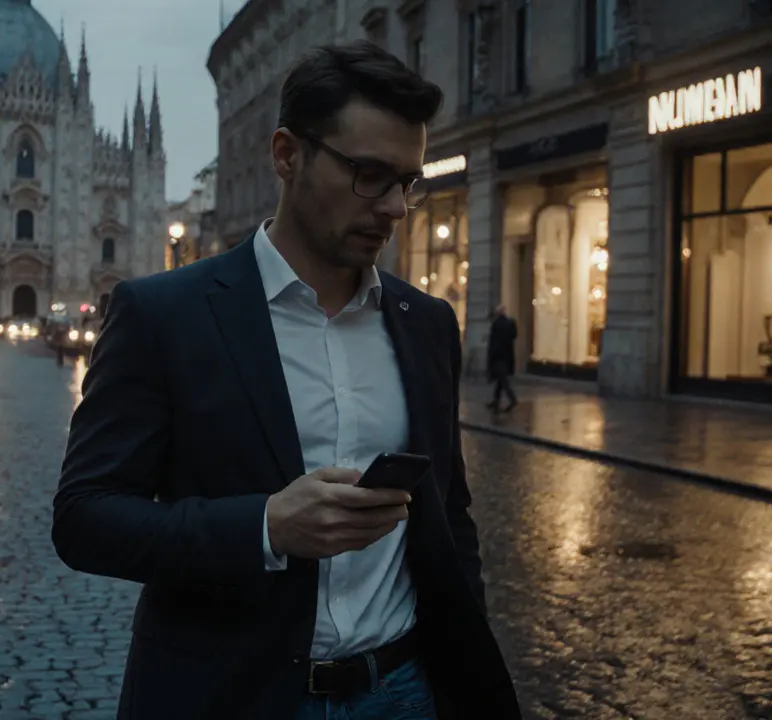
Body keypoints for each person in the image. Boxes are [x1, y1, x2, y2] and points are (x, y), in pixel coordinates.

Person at [53, 40, 519, 720]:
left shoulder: (426, 323)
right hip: (235, 697)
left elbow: (449, 516)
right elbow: (85, 518)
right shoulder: (164, 315)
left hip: (403, 693)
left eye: (407, 182)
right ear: (287, 155)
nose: (396, 207)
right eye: (369, 175)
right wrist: (265, 526)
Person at [487, 304, 518, 412]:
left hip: (498, 356)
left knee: (503, 380)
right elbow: (514, 336)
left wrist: (491, 356)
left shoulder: (497, 325)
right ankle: (496, 400)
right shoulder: (511, 323)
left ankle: (512, 399)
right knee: (500, 380)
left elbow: (494, 343)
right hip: (507, 356)